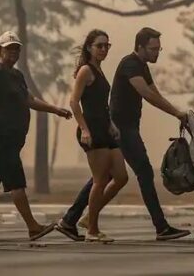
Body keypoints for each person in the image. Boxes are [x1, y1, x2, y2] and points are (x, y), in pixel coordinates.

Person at [56, 27, 190, 242]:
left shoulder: (138, 67)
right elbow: (145, 94)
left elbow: (154, 91)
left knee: (110, 177)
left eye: (106, 46)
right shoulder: (129, 64)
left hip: (114, 126)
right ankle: (160, 227)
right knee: (141, 173)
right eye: (153, 49)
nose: (157, 53)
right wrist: (175, 112)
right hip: (120, 127)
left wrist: (178, 112)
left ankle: (73, 219)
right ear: (140, 47)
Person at [0, 31, 73, 241]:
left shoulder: (17, 76)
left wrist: (56, 109)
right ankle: (33, 227)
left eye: (16, 48)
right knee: (17, 182)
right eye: (9, 48)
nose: (13, 52)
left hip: (12, 139)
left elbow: (29, 100)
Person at [70, 29, 128, 243]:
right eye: (99, 46)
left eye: (106, 46)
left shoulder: (100, 70)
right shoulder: (86, 70)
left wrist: (111, 124)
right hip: (92, 129)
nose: (104, 49)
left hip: (105, 128)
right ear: (89, 47)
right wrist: (84, 129)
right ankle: (92, 230)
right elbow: (74, 102)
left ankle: (88, 217)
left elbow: (102, 104)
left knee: (121, 177)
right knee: (100, 180)